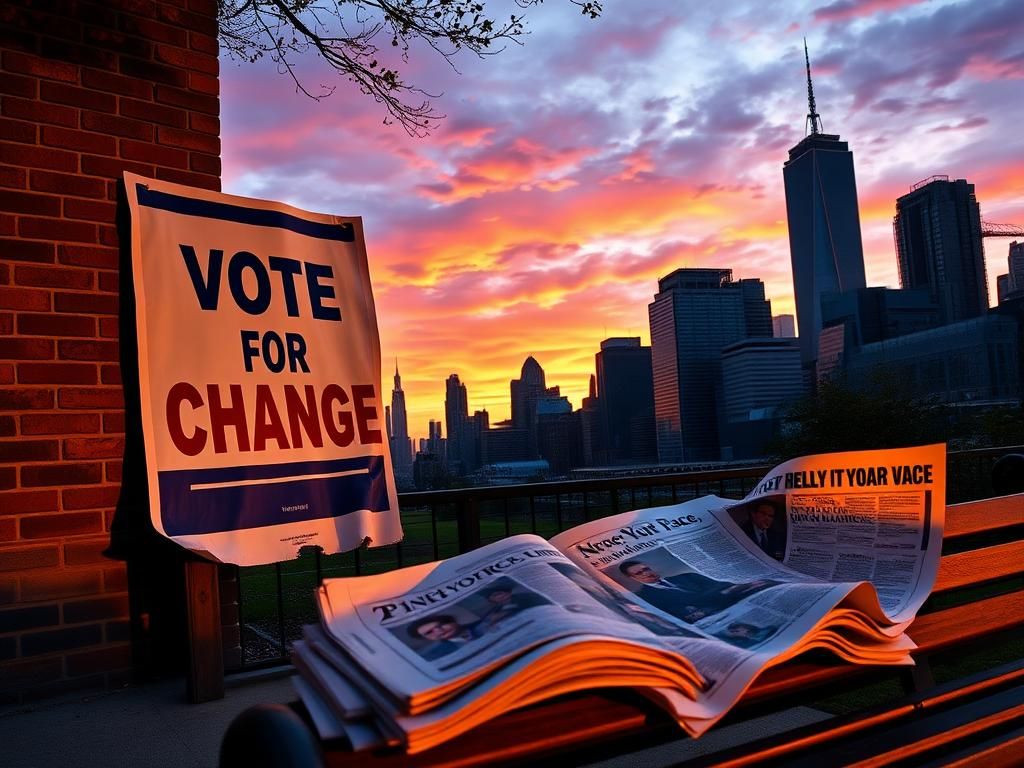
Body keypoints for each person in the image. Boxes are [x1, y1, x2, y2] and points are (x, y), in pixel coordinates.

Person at [619, 560, 773, 623]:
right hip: (713, 619)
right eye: (639, 573)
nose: (646, 573)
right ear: (631, 578)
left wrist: (728, 589)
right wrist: (726, 591)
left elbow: (721, 584)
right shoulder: (646, 597)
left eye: (646, 568)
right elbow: (693, 602)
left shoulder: (686, 576)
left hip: (738, 604)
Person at [407, 614, 478, 661]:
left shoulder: (486, 621)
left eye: (439, 625)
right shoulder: (439, 656)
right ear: (426, 638)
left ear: (451, 621)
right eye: (429, 632)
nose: (439, 631)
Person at [480, 586, 549, 628]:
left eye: (499, 593)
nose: (499, 597)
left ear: (508, 593)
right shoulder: (494, 611)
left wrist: (506, 614)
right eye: (494, 596)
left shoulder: (527, 597)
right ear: (491, 600)